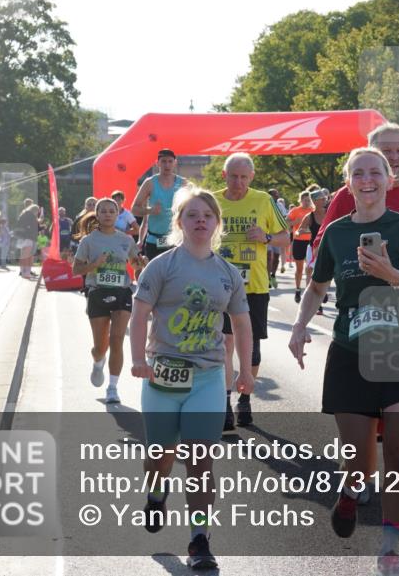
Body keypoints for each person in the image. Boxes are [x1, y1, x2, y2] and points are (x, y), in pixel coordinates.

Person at [289, 147, 399, 576]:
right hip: (351, 352)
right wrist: (299, 328)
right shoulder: (334, 232)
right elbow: (317, 288)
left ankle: (390, 545)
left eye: (376, 172)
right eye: (358, 173)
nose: (367, 179)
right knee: (357, 457)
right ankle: (351, 490)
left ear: (389, 180)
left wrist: (391, 274)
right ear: (348, 183)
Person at [313, 123, 399, 516]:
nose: (392, 157)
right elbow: (329, 246)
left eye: (398, 151)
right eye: (383, 150)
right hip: (359, 325)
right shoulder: (347, 196)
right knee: (364, 422)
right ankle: (359, 477)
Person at [130, 185, 253, 569]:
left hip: (207, 377)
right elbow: (138, 315)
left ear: (217, 223)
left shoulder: (227, 272)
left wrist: (245, 369)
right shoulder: (162, 266)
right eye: (192, 215)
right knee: (160, 457)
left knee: (200, 461)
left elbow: (242, 323)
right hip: (162, 375)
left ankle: (200, 538)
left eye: (207, 215)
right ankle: (156, 492)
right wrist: (137, 359)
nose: (200, 221)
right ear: (180, 222)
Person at [216, 153, 290, 427]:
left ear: (252, 177)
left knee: (251, 346)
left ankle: (244, 398)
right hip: (220, 284)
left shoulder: (262, 200)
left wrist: (267, 237)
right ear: (224, 175)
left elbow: (285, 238)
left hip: (254, 284)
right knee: (224, 342)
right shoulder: (213, 200)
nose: (238, 182)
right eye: (233, 176)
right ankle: (223, 402)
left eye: (243, 177)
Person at [73, 198, 144, 404]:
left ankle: (112, 387)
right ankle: (98, 361)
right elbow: (76, 269)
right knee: (100, 346)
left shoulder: (126, 240)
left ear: (117, 214)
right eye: (103, 211)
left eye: (111, 211)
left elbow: (135, 262)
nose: (107, 214)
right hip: (97, 292)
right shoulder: (88, 241)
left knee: (117, 339)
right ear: (97, 215)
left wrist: (141, 263)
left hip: (122, 291)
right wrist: (94, 264)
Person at [132, 149, 187, 260]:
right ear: (157, 163)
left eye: (170, 161)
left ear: (175, 162)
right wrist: (149, 210)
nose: (167, 165)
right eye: (163, 161)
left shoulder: (183, 183)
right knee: (154, 275)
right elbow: (134, 209)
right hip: (154, 240)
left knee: (175, 276)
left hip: (176, 239)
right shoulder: (150, 183)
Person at [287, 191, 315, 303]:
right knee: (299, 269)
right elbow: (286, 223)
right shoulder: (295, 210)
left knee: (310, 269)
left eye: (309, 200)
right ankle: (298, 289)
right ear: (300, 200)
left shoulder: (313, 211)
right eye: (305, 200)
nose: (307, 202)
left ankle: (310, 292)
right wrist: (295, 222)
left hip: (311, 242)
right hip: (298, 241)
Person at [15, 203, 41, 279]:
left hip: (22, 237)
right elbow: (34, 227)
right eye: (37, 211)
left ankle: (23, 271)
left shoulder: (23, 214)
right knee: (28, 256)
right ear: (35, 210)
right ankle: (26, 273)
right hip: (29, 237)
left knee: (23, 255)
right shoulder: (31, 216)